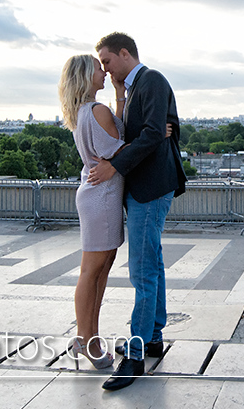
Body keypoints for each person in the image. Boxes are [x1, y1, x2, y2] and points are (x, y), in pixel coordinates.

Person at [87, 32, 187, 391]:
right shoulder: (135, 88)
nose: (104, 68)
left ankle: (135, 355)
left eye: (107, 61)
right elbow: (146, 132)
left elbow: (149, 134)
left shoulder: (153, 80)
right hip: (146, 186)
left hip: (149, 188)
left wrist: (114, 165)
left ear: (124, 53)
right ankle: (153, 335)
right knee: (152, 262)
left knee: (142, 269)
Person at [57, 54, 124, 371]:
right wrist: (156, 136)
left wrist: (120, 97)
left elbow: (114, 145)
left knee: (98, 270)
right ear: (86, 76)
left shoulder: (85, 112)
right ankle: (86, 339)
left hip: (98, 195)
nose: (104, 71)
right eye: (99, 69)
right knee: (92, 271)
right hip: (103, 197)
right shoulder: (98, 111)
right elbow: (124, 150)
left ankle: (89, 336)